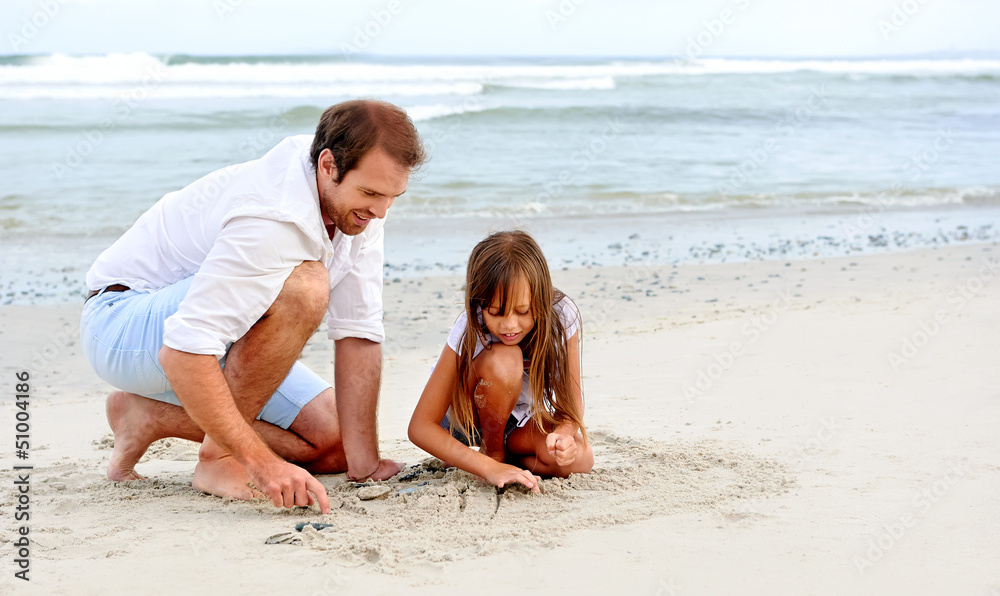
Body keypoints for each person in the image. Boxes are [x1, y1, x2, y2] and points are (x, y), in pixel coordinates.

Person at [81, 99, 426, 513]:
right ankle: (218, 460)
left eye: (393, 196)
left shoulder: (358, 206)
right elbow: (184, 351)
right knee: (305, 285)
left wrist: (364, 464)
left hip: (207, 335)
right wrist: (261, 464)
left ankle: (146, 415)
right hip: (123, 324)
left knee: (333, 443)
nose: (381, 210)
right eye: (371, 193)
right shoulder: (271, 218)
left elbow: (358, 331)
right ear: (328, 165)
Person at [408, 230, 594, 492]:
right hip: (466, 418)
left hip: (517, 422)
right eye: (495, 312)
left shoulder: (562, 315)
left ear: (540, 298)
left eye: (523, 311)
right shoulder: (468, 327)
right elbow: (420, 427)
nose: (509, 325)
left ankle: (508, 458)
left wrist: (562, 437)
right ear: (479, 304)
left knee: (581, 458)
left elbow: (572, 404)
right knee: (506, 358)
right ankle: (492, 457)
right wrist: (489, 467)